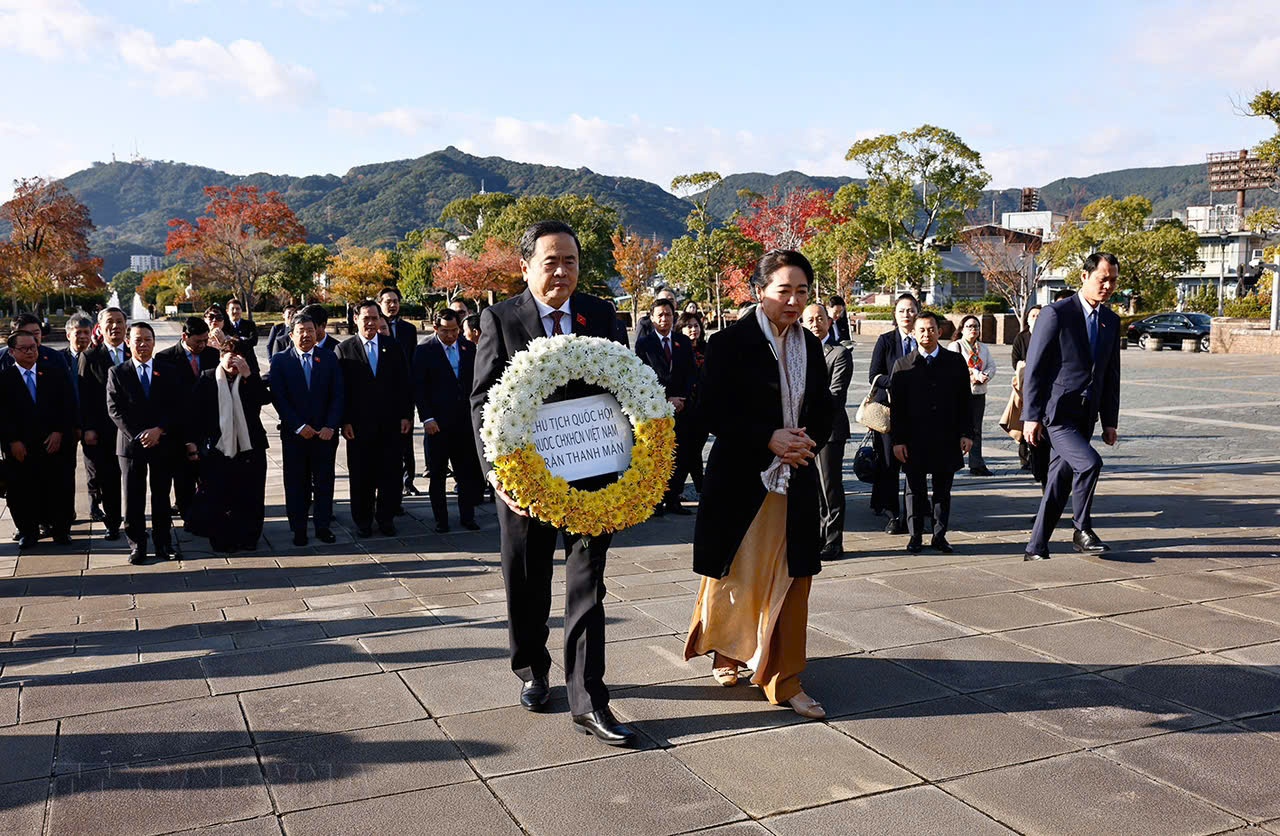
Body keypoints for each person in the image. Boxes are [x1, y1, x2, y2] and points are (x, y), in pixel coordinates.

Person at [471, 220, 635, 745]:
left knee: (588, 584)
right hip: (526, 479)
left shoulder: (601, 315)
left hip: (593, 471)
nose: (562, 271)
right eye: (550, 261)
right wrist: (500, 477)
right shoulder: (501, 318)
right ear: (526, 267)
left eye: (570, 261)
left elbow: (625, 384)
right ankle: (532, 666)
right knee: (527, 580)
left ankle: (589, 698)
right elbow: (482, 402)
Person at [684, 250, 834, 720]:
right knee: (736, 576)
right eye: (783, 290)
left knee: (793, 578)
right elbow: (709, 410)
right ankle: (727, 650)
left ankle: (784, 677)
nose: (793, 300)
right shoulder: (729, 343)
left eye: (802, 291)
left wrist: (805, 440)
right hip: (743, 481)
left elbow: (825, 404)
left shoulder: (809, 345)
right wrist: (767, 437)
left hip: (796, 477)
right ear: (759, 291)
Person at [1022, 253, 1122, 561]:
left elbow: (1110, 374)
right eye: (1102, 278)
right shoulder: (1056, 313)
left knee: (1058, 481)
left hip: (1086, 415)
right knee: (1090, 463)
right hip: (1057, 414)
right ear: (1084, 277)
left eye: (1113, 280)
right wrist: (1031, 416)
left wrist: (1109, 421)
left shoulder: (1110, 320)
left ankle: (1035, 548)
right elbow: (1035, 368)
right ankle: (1082, 530)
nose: (1107, 285)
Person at [890, 312, 974, 554]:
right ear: (914, 334)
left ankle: (939, 535)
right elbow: (897, 409)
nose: (927, 334)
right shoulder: (903, 364)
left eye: (931, 329)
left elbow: (964, 401)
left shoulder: (954, 361)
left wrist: (966, 433)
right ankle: (915, 535)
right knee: (914, 489)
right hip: (914, 439)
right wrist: (898, 441)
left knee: (942, 490)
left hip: (946, 437)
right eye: (922, 330)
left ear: (940, 331)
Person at [107, 322, 183, 564]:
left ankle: (163, 543)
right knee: (133, 498)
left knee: (161, 495)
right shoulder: (118, 372)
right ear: (128, 342)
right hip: (131, 446)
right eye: (138, 339)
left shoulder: (168, 370)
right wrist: (140, 434)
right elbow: (114, 410)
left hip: (162, 442)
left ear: (154, 341)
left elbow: (177, 406)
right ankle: (137, 544)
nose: (143, 344)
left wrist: (159, 430)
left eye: (148, 339)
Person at [184, 339, 269, 552]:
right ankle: (222, 538)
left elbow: (265, 399)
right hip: (218, 448)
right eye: (229, 355)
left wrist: (249, 375)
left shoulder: (249, 379)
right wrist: (192, 444)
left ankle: (250, 537)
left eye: (239, 356)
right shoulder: (208, 378)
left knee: (252, 495)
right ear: (221, 357)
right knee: (220, 496)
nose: (234, 361)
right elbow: (193, 414)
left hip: (250, 446)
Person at [338, 300, 414, 537]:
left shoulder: (392, 346)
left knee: (390, 473)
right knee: (361, 475)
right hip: (358, 426)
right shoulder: (345, 349)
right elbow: (341, 390)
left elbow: (404, 383)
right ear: (356, 320)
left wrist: (406, 415)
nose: (370, 323)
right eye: (365, 318)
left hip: (390, 423)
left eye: (374, 318)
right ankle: (362, 521)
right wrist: (345, 420)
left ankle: (386, 518)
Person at [269, 311, 344, 546]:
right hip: (295, 436)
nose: (306, 336)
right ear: (291, 335)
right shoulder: (281, 360)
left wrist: (331, 425)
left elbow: (338, 395)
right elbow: (279, 398)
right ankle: (298, 529)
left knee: (324, 482)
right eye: (301, 332)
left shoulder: (329, 358)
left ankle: (323, 526)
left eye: (310, 331)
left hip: (324, 435)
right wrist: (298, 426)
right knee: (296, 484)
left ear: (317, 333)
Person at [0, 330, 75, 550]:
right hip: (20, 447)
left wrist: (59, 432)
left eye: (33, 347)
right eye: (24, 348)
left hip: (52, 443)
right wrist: (12, 441)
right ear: (12, 352)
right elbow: (2, 415)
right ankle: (28, 532)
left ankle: (61, 531)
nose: (30, 352)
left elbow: (67, 405)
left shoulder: (54, 373)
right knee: (22, 490)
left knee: (58, 487)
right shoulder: (4, 379)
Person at [416, 308, 484, 533]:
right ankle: (441, 520)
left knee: (466, 472)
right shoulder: (425, 351)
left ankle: (468, 516)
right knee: (437, 474)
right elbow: (419, 388)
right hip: (437, 423)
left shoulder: (468, 348)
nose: (451, 335)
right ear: (435, 328)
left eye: (455, 330)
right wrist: (427, 418)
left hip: (464, 421)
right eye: (446, 331)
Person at [634, 297, 697, 515]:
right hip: (656, 409)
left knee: (680, 456)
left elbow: (691, 373)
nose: (664, 318)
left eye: (668, 314)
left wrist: (682, 399)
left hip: (682, 408)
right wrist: (665, 399)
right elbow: (642, 377)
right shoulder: (644, 344)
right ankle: (655, 501)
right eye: (659, 314)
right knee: (658, 454)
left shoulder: (683, 341)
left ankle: (673, 498)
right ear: (651, 318)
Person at [802, 303, 852, 559]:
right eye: (809, 319)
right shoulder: (798, 352)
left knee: (830, 486)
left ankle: (834, 541)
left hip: (830, 431)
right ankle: (818, 537)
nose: (815, 323)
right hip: (803, 431)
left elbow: (836, 394)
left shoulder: (839, 353)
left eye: (819, 318)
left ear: (829, 321)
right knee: (813, 488)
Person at [156, 317, 220, 516]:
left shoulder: (213, 355)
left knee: (210, 475)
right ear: (184, 336)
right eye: (197, 341)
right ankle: (187, 515)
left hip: (208, 426)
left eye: (205, 340)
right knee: (182, 477)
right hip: (179, 427)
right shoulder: (165, 358)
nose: (202, 345)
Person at [867, 293, 919, 533]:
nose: (906, 315)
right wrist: (898, 382)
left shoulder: (924, 338)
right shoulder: (885, 340)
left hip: (916, 414)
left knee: (915, 463)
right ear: (895, 315)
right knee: (888, 463)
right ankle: (892, 514)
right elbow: (874, 375)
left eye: (911, 310)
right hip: (888, 413)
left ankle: (915, 511)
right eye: (901, 311)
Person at [79, 307, 129, 539]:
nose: (115, 326)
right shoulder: (89, 356)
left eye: (120, 321)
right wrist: (88, 427)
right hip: (103, 429)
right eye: (110, 321)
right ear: (100, 326)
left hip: (133, 430)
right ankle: (112, 523)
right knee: (108, 479)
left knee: (134, 479)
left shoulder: (136, 350)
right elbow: (83, 395)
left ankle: (134, 522)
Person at [378, 287, 421, 501]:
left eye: (395, 301)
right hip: (382, 394)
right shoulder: (375, 325)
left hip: (404, 390)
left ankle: (408, 481)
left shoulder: (408, 329)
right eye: (388, 301)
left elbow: (412, 359)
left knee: (406, 438)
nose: (392, 305)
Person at [947, 314, 996, 477]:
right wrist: (973, 375)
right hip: (960, 393)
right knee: (956, 427)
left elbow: (991, 366)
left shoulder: (983, 348)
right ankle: (952, 461)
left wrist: (985, 376)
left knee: (976, 429)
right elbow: (953, 369)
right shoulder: (956, 346)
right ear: (961, 329)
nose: (973, 329)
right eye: (969, 326)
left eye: (976, 326)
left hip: (979, 393)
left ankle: (977, 463)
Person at [1010, 305, 1049, 484]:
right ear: (1027, 319)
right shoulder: (1022, 337)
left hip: (1046, 391)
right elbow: (1015, 359)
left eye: (1039, 315)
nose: (1036, 317)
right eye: (1033, 315)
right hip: (1025, 385)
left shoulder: (1050, 335)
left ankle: (1039, 465)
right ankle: (1026, 458)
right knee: (1025, 420)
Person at [676, 311, 709, 497]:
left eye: (696, 325)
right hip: (683, 408)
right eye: (688, 326)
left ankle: (679, 492)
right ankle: (699, 490)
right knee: (688, 451)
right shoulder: (677, 348)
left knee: (694, 450)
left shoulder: (707, 348)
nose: (693, 329)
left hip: (703, 407)